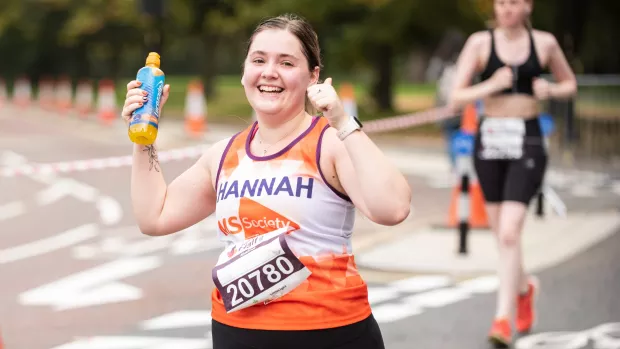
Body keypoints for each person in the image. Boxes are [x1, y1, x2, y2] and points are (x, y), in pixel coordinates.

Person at [121, 13, 411, 349]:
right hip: (236, 333)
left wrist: (342, 121)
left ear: (313, 76)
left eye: (286, 62)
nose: (269, 72)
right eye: (258, 60)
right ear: (245, 72)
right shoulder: (223, 154)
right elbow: (154, 217)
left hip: (329, 330)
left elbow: (393, 208)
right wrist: (143, 137)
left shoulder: (329, 142)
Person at [449, 0, 577, 347]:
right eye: (501, 2)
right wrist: (490, 85)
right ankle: (524, 288)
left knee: (508, 232)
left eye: (514, 2)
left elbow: (570, 84)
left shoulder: (545, 43)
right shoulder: (480, 43)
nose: (506, 8)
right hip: (490, 141)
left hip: (527, 140)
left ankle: (502, 319)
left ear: (528, 5)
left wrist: (550, 89)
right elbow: (455, 96)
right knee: (501, 234)